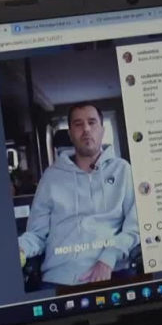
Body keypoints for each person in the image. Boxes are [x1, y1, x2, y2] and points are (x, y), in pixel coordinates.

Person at [18, 103, 139, 287]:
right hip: (59, 277)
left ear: (102, 130)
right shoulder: (51, 177)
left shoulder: (122, 170)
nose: (86, 129)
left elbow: (135, 227)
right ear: (70, 134)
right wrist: (21, 247)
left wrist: (109, 257)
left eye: (92, 122)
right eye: (78, 124)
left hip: (113, 272)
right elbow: (36, 234)